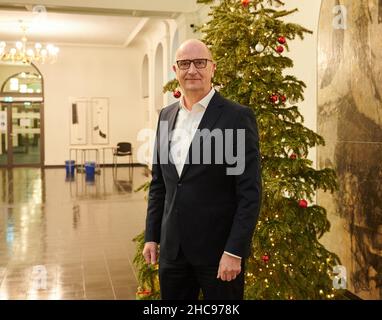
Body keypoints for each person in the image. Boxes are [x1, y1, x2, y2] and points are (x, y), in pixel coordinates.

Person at [143, 39, 261, 300]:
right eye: (184, 64)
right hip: (173, 253)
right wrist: (152, 236)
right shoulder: (165, 115)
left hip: (219, 255)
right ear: (176, 71)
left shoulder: (235, 117)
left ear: (213, 68)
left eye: (200, 62)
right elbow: (159, 183)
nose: (192, 70)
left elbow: (249, 192)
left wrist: (234, 251)